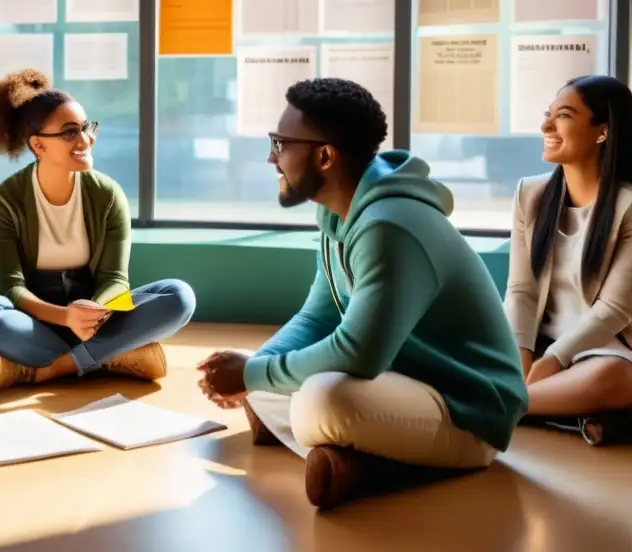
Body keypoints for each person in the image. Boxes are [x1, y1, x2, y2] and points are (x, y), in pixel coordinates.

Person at [196, 78, 527, 510]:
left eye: (280, 144)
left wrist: (252, 375)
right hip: (403, 385)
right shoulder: (339, 213)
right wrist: (253, 373)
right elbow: (318, 317)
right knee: (264, 369)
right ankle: (340, 458)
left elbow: (357, 355)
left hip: (466, 411)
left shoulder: (390, 225)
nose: (270, 158)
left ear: (325, 155)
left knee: (323, 397)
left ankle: (368, 468)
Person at [0, 70, 196, 392]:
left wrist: (93, 315)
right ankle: (111, 358)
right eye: (70, 132)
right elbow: (9, 288)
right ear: (38, 145)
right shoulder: (4, 201)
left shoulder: (107, 194)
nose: (85, 139)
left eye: (87, 127)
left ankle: (53, 366)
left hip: (93, 320)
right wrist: (65, 317)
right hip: (31, 319)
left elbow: (115, 279)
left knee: (178, 296)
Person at [504, 75, 632, 444]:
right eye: (548, 114)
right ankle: (564, 413)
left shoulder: (627, 206)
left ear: (602, 132)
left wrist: (554, 361)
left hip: (602, 348)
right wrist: (521, 355)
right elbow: (521, 290)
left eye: (563, 115)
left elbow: (614, 310)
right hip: (538, 344)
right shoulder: (530, 194)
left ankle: (504, 406)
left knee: (615, 380)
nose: (545, 125)